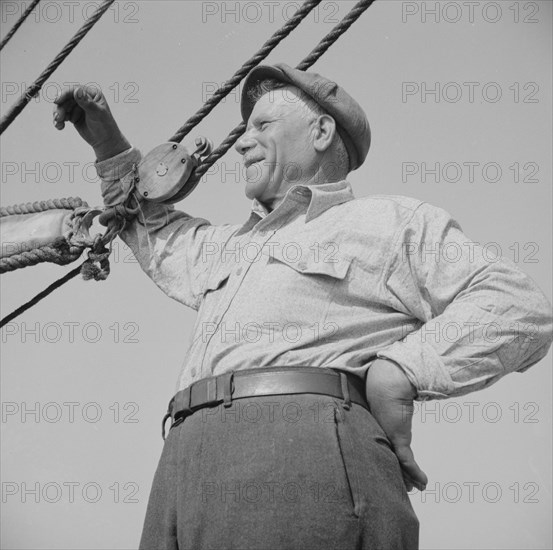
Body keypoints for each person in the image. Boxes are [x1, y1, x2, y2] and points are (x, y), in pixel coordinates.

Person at [53, 63, 552, 550]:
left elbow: (517, 306)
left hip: (300, 457)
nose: (242, 142)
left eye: (262, 125)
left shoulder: (390, 220)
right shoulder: (229, 246)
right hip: (181, 469)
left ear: (321, 131)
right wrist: (107, 143)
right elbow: (152, 226)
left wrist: (401, 370)